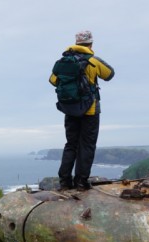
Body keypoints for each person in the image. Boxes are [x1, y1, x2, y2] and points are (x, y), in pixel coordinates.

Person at [49, 30, 115, 191]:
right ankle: (81, 182)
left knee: (71, 144)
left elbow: (52, 80)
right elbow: (110, 74)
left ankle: (65, 181)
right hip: (90, 111)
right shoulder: (93, 61)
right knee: (87, 145)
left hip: (70, 110)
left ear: (76, 43)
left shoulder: (63, 61)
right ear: (90, 43)